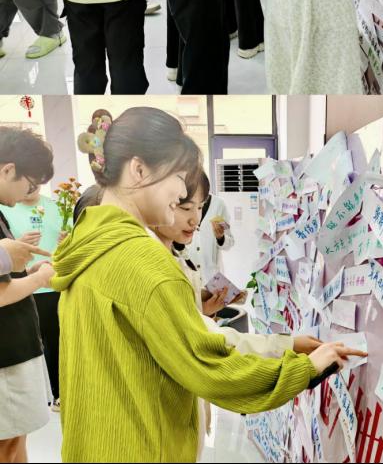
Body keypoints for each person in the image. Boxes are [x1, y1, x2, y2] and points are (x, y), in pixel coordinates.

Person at [54, 106, 361, 462]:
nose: (182, 195)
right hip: (139, 447)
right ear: (138, 170)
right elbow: (207, 366)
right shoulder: (143, 260)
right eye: (178, 179)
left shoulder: (87, 242)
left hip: (95, 443)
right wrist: (304, 370)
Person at [152, 170, 323, 459]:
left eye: (199, 207)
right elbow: (213, 350)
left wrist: (220, 238)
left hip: (208, 281)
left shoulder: (211, 212)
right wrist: (291, 351)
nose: (195, 219)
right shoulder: (157, 269)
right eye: (185, 207)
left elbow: (227, 242)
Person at [0, 126, 55, 464]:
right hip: (5, 353)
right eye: (29, 184)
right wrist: (41, 278)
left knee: (16, 437)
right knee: (6, 442)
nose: (28, 193)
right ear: (8, 170)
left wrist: (26, 272)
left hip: (15, 348)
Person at [3, 185, 67, 412]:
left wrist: (67, 240)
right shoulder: (6, 208)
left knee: (57, 342)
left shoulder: (57, 207)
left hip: (51, 285)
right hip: (21, 291)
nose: (30, 186)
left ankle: (58, 394)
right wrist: (16, 246)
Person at [189, 171, 234, 284]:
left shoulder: (219, 205)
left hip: (213, 278)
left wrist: (221, 238)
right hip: (188, 277)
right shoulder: (181, 204)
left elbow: (230, 242)